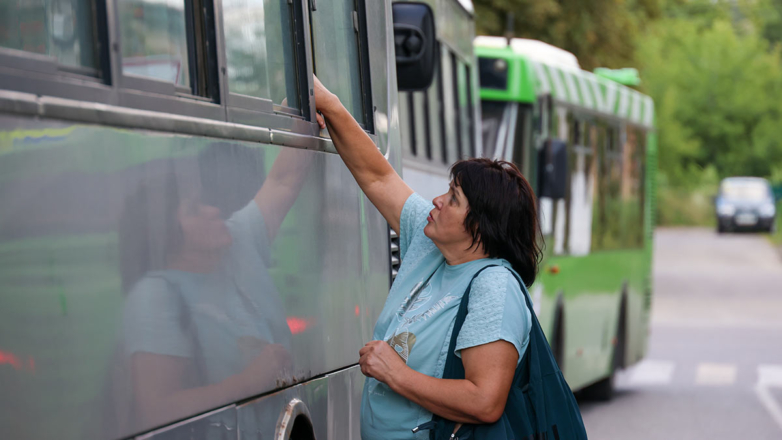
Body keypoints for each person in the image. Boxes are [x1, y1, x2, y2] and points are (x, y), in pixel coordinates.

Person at [312, 77, 543, 439]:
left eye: (453, 198)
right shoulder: (431, 241)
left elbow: (485, 400)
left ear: (479, 226)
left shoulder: (494, 287)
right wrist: (328, 104)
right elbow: (376, 177)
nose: (437, 201)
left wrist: (395, 373)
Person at [111, 143, 312, 434]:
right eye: (195, 209)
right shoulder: (154, 297)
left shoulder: (238, 239)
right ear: (169, 233)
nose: (213, 209)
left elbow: (283, 180)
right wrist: (246, 384)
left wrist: (302, 120)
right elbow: (155, 411)